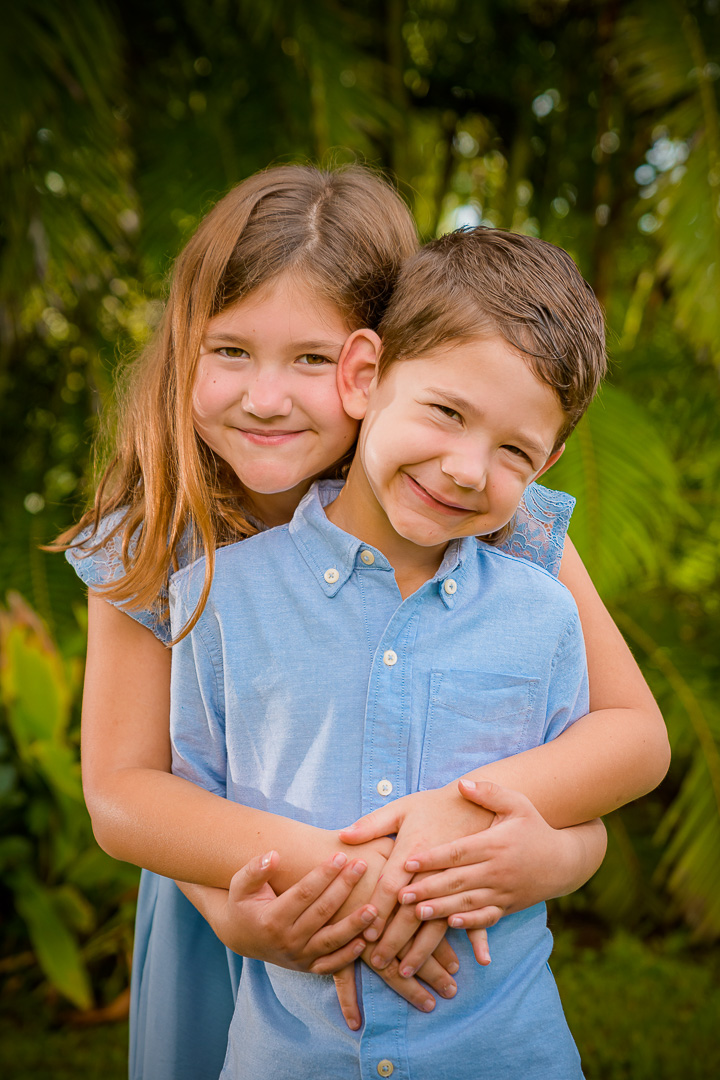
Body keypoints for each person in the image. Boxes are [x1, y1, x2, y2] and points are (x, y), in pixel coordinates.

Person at [56, 165, 669, 1079]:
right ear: (183, 346)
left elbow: (632, 735)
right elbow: (125, 789)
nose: (268, 398)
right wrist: (281, 895)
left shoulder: (490, 507)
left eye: (309, 358)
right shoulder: (159, 535)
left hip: (447, 946)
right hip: (232, 891)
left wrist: (539, 844)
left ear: (368, 364)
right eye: (230, 351)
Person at [168, 225, 623, 1078]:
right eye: (447, 412)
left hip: (505, 1053)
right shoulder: (220, 596)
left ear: (550, 463)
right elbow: (181, 795)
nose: (465, 468)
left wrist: (555, 857)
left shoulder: (543, 612)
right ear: (367, 375)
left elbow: (591, 796)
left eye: (514, 452)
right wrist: (267, 901)